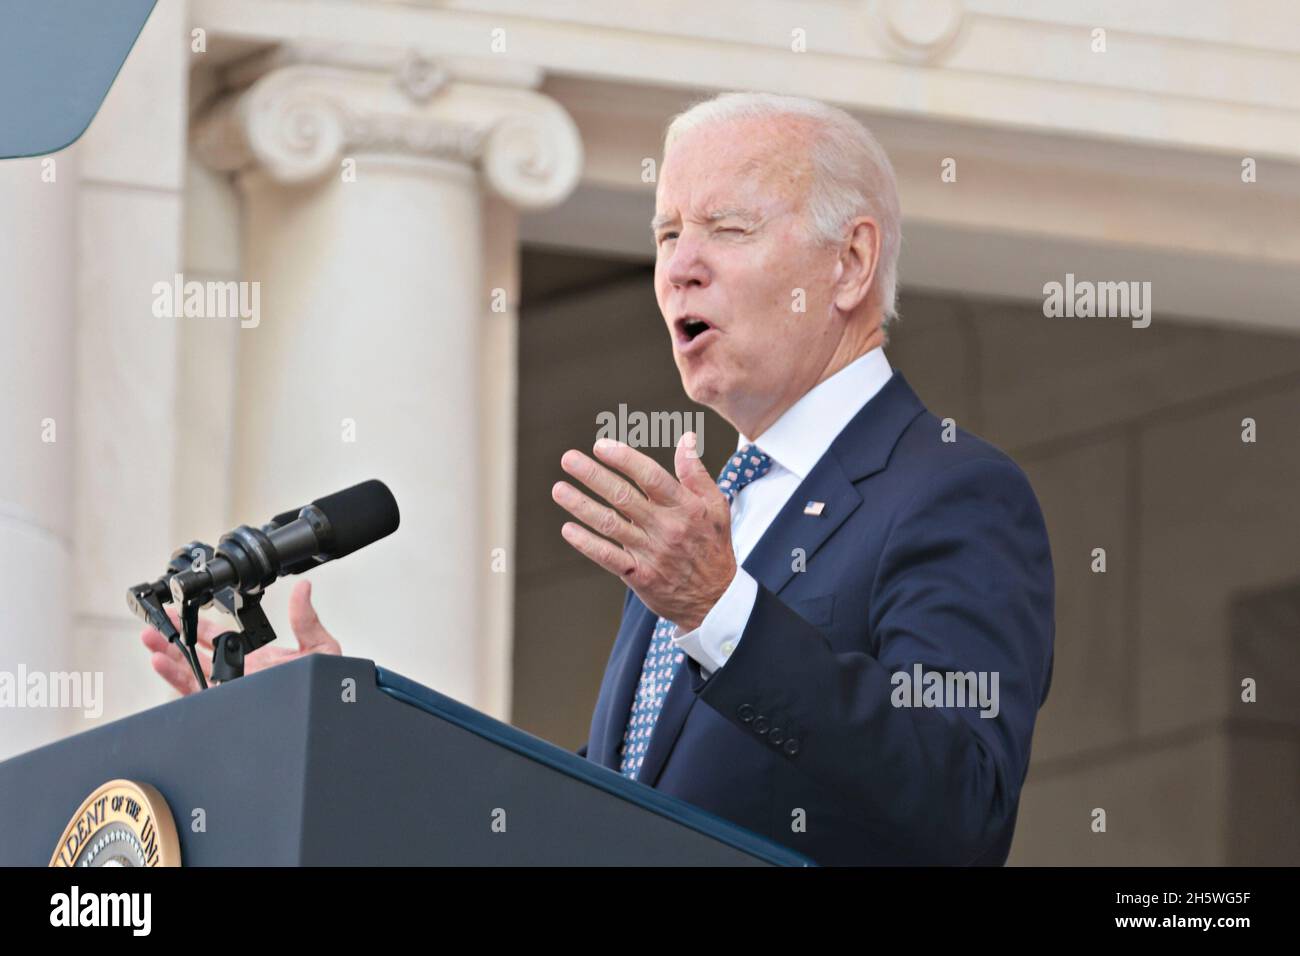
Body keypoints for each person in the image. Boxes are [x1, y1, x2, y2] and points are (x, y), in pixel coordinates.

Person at [143, 91, 1055, 866]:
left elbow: (959, 806)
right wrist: (341, 731)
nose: (678, 269)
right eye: (665, 234)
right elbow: (593, 815)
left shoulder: (949, 492)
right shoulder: (711, 522)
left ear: (850, 263)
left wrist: (720, 612)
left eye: (728, 229)